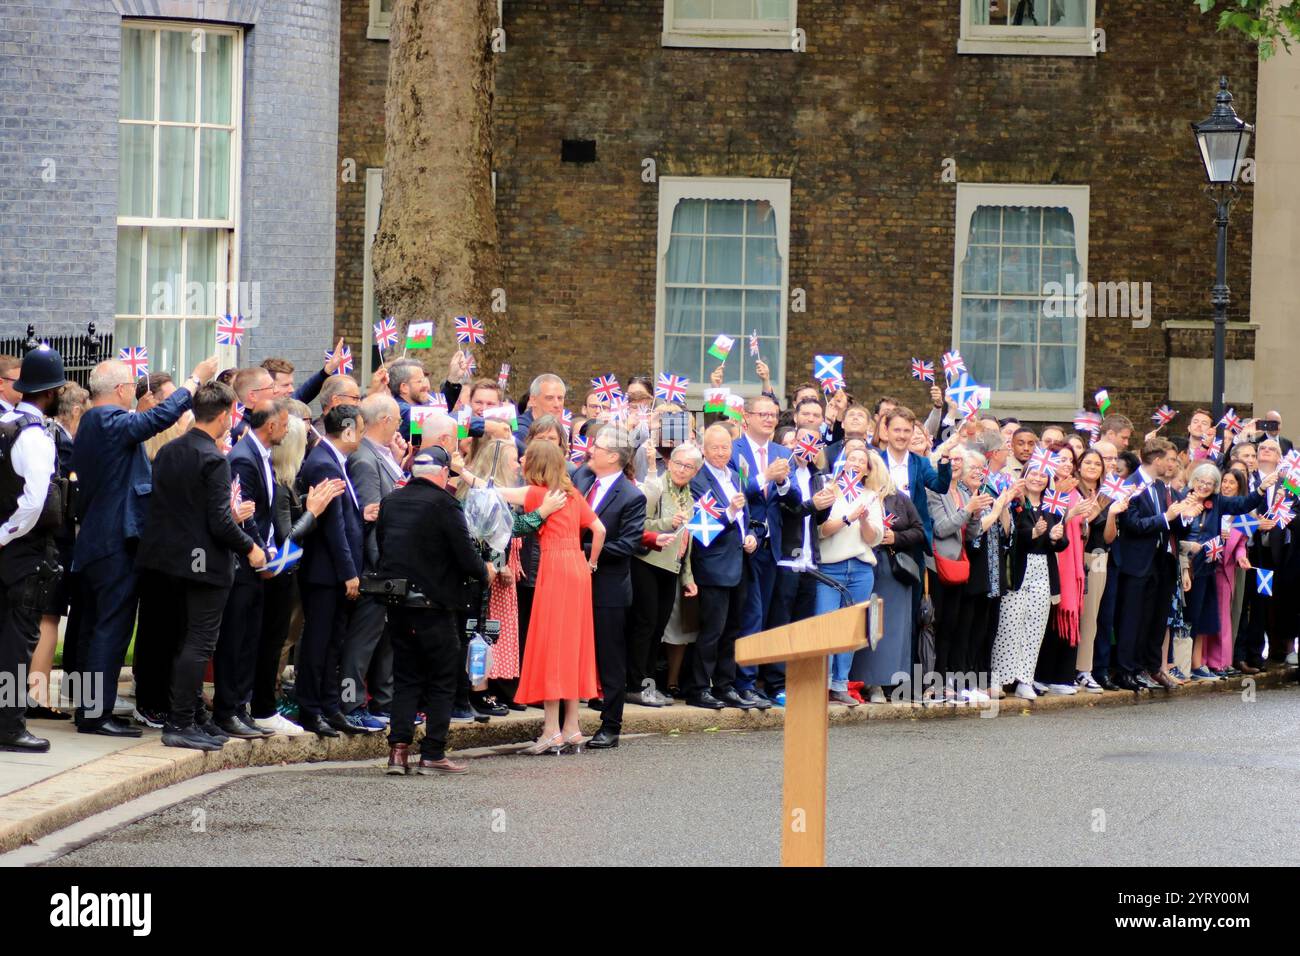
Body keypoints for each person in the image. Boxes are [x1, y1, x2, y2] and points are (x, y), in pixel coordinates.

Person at [72, 353, 219, 735]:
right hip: (113, 541)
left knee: (95, 627)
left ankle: (90, 709)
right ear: (121, 390)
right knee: (111, 628)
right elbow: (157, 420)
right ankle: (96, 715)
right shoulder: (106, 420)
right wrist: (193, 380)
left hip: (97, 538)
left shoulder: (94, 421)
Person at [136, 381, 267, 750]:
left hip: (168, 563)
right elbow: (221, 522)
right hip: (204, 565)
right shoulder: (213, 458)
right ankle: (180, 722)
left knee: (181, 640)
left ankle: (193, 716)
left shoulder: (169, 451)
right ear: (225, 416)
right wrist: (252, 549)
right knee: (198, 643)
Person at [379, 446, 493, 775]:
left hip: (398, 605)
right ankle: (432, 753)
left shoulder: (391, 501)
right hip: (435, 606)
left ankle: (398, 753)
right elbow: (468, 560)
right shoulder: (445, 504)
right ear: (443, 472)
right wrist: (485, 571)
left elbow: (383, 544)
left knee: (406, 678)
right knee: (443, 679)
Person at [504, 440, 605, 754]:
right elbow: (599, 529)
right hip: (577, 566)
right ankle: (572, 727)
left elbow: (496, 494)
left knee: (551, 646)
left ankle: (551, 730)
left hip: (555, 568)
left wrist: (464, 473)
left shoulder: (538, 494)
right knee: (573, 645)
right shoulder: (572, 494)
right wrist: (591, 563)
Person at [251, 415, 344, 735]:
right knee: (272, 641)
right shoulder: (277, 482)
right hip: (276, 573)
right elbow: (288, 536)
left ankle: (264, 705)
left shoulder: (285, 481)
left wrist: (305, 503)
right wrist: (313, 511)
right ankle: (263, 706)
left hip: (281, 572)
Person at [0, 348, 67, 754]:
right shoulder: (34, 435)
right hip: (24, 549)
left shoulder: (5, 422)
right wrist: (6, 534)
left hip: (9, 547)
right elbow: (36, 501)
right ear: (52, 391)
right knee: (17, 642)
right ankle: (10, 726)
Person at [572, 423, 647, 748]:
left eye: (598, 448)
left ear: (614, 456)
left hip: (608, 588)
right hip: (571, 582)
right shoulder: (581, 478)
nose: (591, 450)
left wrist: (577, 550)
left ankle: (611, 725)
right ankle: (567, 722)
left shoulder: (632, 496)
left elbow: (626, 546)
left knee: (610, 657)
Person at [296, 403, 367, 737]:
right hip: (325, 573)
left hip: (335, 572)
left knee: (333, 643)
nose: (363, 436)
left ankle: (329, 705)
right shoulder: (324, 462)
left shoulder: (334, 460)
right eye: (361, 429)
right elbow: (333, 527)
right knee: (318, 642)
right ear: (349, 429)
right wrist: (348, 572)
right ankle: (310, 709)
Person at [340, 392, 406, 731]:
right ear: (384, 421)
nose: (400, 425)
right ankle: (351, 702)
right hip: (374, 565)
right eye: (396, 420)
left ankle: (384, 702)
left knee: (384, 638)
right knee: (362, 641)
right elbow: (372, 516)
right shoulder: (364, 461)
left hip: (387, 567)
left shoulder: (381, 454)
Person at [729, 394, 795, 707]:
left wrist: (782, 483)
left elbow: (792, 497)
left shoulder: (782, 452)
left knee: (770, 614)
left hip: (773, 545)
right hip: (745, 544)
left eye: (773, 415)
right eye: (763, 414)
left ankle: (766, 682)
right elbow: (733, 490)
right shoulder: (735, 450)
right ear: (747, 417)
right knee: (750, 615)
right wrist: (764, 477)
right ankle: (744, 682)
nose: (769, 419)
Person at [1113, 438, 1194, 691]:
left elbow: (1171, 525)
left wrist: (1184, 517)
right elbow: (1133, 524)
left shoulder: (1160, 487)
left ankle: (1144, 667)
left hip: (1160, 563)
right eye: (1169, 459)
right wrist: (1166, 517)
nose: (1172, 465)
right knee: (1131, 619)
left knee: (1152, 620)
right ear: (1156, 460)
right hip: (1136, 562)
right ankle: (1125, 670)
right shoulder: (1131, 485)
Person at [27, 381, 87, 721]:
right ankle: (37, 694)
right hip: (57, 540)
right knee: (49, 616)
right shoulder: (60, 442)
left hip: (40, 539)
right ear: (76, 411)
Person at [1179, 462, 1271, 681]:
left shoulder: (1218, 501)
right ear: (1193, 481)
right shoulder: (1183, 499)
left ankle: (1197, 663)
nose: (1204, 486)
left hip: (1208, 567)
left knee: (1203, 617)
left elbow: (1243, 504)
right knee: (1187, 617)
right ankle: (1181, 663)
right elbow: (1177, 530)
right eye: (1201, 481)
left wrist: (1260, 489)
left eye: (1210, 483)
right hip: (1185, 566)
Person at [628, 442, 700, 707]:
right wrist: (666, 524)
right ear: (668, 464)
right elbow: (639, 525)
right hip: (647, 562)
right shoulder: (656, 488)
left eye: (689, 466)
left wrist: (688, 576)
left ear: (695, 471)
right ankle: (636, 685)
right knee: (644, 626)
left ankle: (648, 684)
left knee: (657, 629)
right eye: (678, 463)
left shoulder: (689, 496)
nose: (682, 470)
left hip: (672, 567)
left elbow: (686, 541)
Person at [991, 467, 1069, 699]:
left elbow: (1061, 542)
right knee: (1009, 624)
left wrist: (1056, 537)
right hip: (1018, 569)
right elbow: (1012, 536)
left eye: (1042, 476)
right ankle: (1000, 677)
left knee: (1035, 627)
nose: (1037, 479)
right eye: (1033, 473)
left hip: (1043, 570)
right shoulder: (1015, 503)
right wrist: (1033, 533)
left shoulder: (1052, 504)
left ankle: (1025, 678)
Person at [815, 445, 884, 706]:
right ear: (842, 463)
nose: (855, 463)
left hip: (860, 569)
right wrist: (848, 517)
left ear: (867, 469)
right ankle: (820, 683)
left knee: (850, 628)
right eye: (850, 458)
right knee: (825, 625)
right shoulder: (828, 491)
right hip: (830, 568)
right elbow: (821, 530)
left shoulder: (870, 496)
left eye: (861, 460)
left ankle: (840, 683)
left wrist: (864, 520)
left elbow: (873, 538)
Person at [854, 464, 923, 703]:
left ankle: (890, 681)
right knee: (868, 625)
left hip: (892, 567)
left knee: (892, 628)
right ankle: (867, 681)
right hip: (865, 564)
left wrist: (897, 537)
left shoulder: (898, 499)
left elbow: (919, 530)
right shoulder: (854, 495)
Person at [927, 447, 989, 699]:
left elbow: (971, 533)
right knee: (937, 623)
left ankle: (944, 681)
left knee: (951, 626)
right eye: (950, 459)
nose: (954, 464)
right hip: (938, 564)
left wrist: (974, 514)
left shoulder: (962, 493)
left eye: (958, 460)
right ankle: (930, 681)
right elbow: (941, 528)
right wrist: (967, 510)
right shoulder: (933, 490)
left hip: (958, 565)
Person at [956, 450, 1016, 700]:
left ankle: (984, 677)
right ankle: (965, 680)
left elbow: (1005, 536)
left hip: (993, 571)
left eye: (982, 469)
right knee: (967, 629)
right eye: (973, 468)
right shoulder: (961, 495)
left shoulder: (989, 493)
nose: (978, 473)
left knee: (987, 629)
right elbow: (974, 536)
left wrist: (1003, 509)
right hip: (972, 570)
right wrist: (995, 509)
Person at [1075, 448, 1126, 692]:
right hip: (1078, 556)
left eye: (1097, 463)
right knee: (1078, 615)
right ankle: (1075, 669)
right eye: (1088, 462)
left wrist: (1110, 515)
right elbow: (1077, 530)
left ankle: (1087, 669)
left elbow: (1108, 537)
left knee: (1094, 616)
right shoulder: (1073, 492)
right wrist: (1090, 514)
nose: (1093, 466)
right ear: (1080, 465)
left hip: (1099, 557)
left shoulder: (1107, 496)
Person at [1211, 468, 1252, 677]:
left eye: (1231, 483)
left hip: (1227, 568)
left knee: (1224, 616)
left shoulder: (1243, 515)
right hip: (1207, 566)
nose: (1226, 486)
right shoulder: (1211, 505)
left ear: (1239, 487)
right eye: (1224, 481)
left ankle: (1221, 661)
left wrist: (1241, 557)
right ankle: (1203, 661)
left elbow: (1241, 545)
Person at [514, 372, 567, 452]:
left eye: (560, 398)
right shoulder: (520, 430)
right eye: (549, 398)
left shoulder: (562, 427)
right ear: (533, 400)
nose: (557, 404)